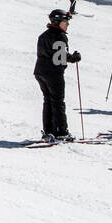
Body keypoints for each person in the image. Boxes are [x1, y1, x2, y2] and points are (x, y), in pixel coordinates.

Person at [34, 9, 80, 142]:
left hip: (40, 72)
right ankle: (60, 132)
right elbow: (60, 58)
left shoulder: (44, 35)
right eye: (65, 22)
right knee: (58, 102)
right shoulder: (59, 36)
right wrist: (74, 58)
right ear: (57, 22)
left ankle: (49, 131)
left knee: (48, 100)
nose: (67, 25)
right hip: (53, 74)